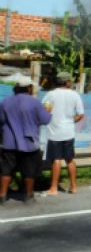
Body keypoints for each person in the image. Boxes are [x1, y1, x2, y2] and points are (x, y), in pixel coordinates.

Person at [0, 75, 51, 204]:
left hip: (9, 143)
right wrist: (48, 111)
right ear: (29, 88)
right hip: (29, 143)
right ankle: (28, 196)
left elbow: (1, 120)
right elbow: (46, 120)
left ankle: (2, 195)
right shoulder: (35, 103)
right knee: (29, 171)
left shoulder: (5, 102)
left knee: (6, 170)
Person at [42, 73, 85, 195]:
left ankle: (54, 188)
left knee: (56, 159)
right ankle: (74, 186)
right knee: (70, 159)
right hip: (68, 131)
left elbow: (45, 111)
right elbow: (81, 114)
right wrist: (71, 121)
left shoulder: (50, 94)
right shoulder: (75, 94)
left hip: (54, 131)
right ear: (67, 82)